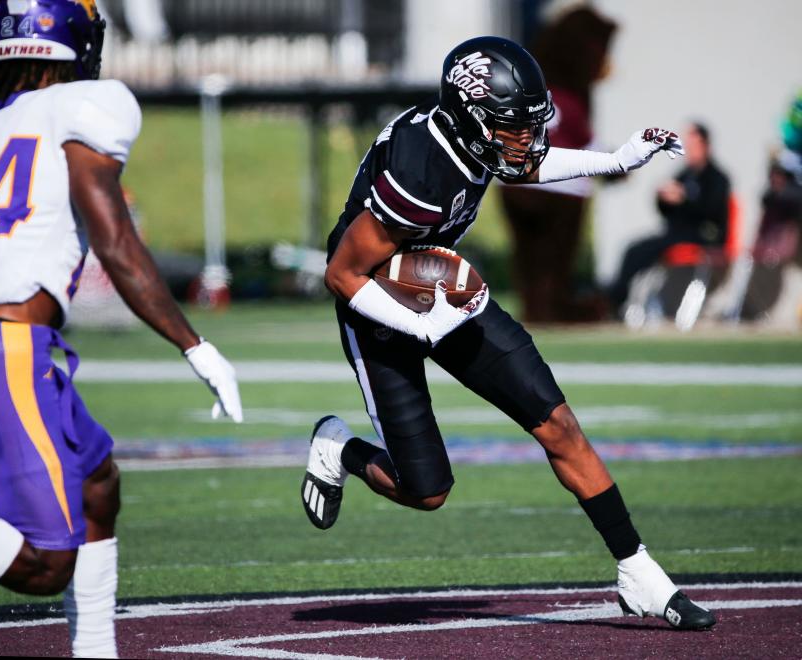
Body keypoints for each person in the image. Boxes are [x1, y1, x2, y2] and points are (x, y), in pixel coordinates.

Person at [0, 0, 243, 656]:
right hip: (1, 341)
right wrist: (192, 343)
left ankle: (95, 649)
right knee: (46, 561)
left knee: (98, 481)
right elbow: (116, 242)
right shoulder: (89, 107)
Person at [301, 36, 715, 630]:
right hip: (378, 311)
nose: (527, 137)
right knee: (426, 490)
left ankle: (637, 571)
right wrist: (420, 323)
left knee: (559, 424)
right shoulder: (420, 168)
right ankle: (340, 447)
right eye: (513, 126)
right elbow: (342, 274)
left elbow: (523, 163)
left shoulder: (479, 141)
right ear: (474, 119)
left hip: (442, 293)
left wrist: (614, 161)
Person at [499, 6, 618, 323]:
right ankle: (551, 305)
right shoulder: (572, 100)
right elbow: (587, 141)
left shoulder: (526, 91)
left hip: (516, 183)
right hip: (562, 188)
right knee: (556, 256)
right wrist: (615, 165)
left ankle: (536, 305)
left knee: (528, 256)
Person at [608, 122, 731, 313]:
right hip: (676, 233)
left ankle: (614, 299)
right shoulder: (685, 174)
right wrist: (663, 198)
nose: (688, 149)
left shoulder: (718, 178)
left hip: (704, 237)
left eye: (692, 144)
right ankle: (616, 297)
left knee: (645, 249)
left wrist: (684, 199)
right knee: (634, 250)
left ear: (704, 144)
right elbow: (667, 211)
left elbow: (712, 211)